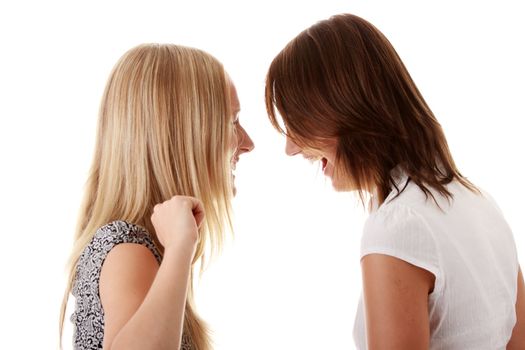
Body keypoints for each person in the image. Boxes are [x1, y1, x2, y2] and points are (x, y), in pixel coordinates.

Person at [265, 13, 524, 349]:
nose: (291, 148)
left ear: (342, 109)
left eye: (297, 122)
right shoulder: (480, 202)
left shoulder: (399, 226)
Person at [59, 43, 254, 350]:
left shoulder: (135, 247)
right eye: (232, 122)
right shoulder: (127, 248)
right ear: (180, 133)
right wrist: (180, 247)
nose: (247, 143)